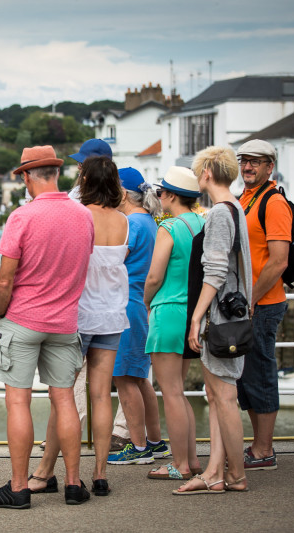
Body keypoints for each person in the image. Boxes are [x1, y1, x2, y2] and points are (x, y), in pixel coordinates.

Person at [0, 146, 94, 509]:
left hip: (23, 320)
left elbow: (4, 280)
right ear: (56, 173)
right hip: (65, 322)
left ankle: (18, 488)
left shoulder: (22, 217)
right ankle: (75, 485)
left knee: (18, 400)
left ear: (27, 176)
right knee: (64, 402)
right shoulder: (83, 216)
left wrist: (0, 312)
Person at [28, 155, 127, 498]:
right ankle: (100, 474)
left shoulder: (81, 216)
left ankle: (44, 470)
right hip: (113, 313)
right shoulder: (123, 221)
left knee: (63, 396)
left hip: (79, 313)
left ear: (84, 180)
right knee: (102, 395)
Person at [175, 146, 252, 494]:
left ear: (206, 173)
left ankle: (235, 475)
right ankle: (216, 472)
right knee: (221, 394)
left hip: (218, 319)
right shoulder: (236, 208)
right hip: (233, 315)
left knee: (223, 396)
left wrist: (196, 317)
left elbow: (216, 269)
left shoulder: (220, 214)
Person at [144, 166, 205, 481]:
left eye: (160, 192)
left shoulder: (168, 228)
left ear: (169, 195)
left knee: (170, 393)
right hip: (194, 315)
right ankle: (192, 459)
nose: (158, 197)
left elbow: (155, 276)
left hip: (168, 311)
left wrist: (145, 301)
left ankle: (179, 464)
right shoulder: (202, 223)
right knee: (180, 392)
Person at [235, 139, 291, 471]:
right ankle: (258, 443)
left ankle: (265, 449)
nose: (248, 167)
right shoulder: (246, 199)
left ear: (270, 167)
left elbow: (279, 261)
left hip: (263, 304)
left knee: (261, 373)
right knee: (246, 376)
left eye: (256, 162)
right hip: (247, 304)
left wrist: (251, 299)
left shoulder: (273, 202)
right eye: (244, 161)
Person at [107, 167, 168, 464]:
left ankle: (139, 447)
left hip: (127, 305)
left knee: (123, 378)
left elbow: (110, 261)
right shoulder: (151, 222)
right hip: (143, 306)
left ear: (122, 193)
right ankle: (155, 441)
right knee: (141, 377)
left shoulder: (130, 224)